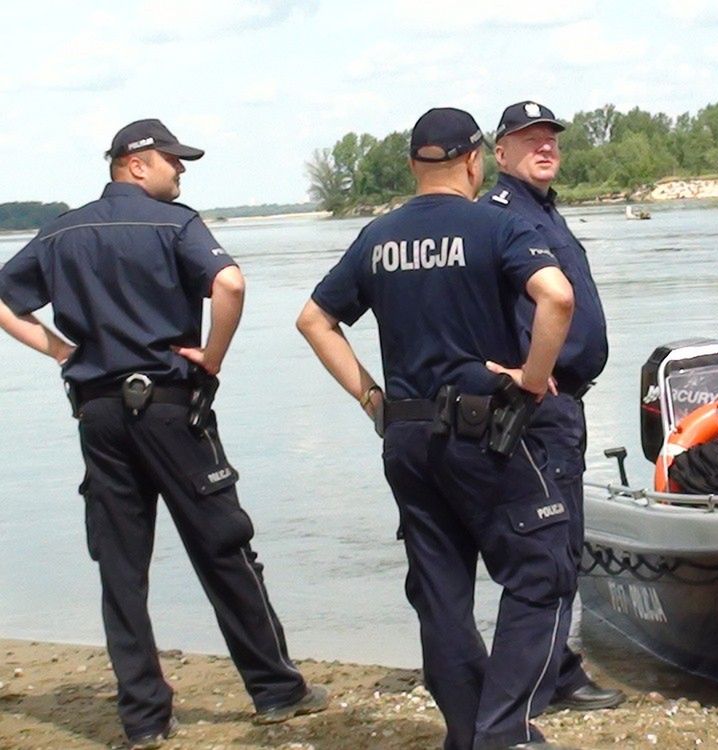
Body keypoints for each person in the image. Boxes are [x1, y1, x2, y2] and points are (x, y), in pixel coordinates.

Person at [0, 119, 328, 749]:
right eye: (173, 161)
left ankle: (144, 720)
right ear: (136, 163)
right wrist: (214, 354)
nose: (181, 172)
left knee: (121, 569)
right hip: (170, 409)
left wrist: (63, 352)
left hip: (97, 412)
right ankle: (277, 691)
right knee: (225, 548)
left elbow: (6, 298)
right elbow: (229, 282)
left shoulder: (62, 230)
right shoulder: (176, 224)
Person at [296, 107, 576, 750]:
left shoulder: (379, 236)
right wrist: (534, 379)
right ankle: (501, 732)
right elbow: (556, 297)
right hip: (484, 433)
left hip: (407, 437)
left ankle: (468, 731)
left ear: (414, 165)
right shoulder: (495, 225)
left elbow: (314, 319)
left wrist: (371, 396)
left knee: (440, 590)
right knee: (543, 570)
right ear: (475, 160)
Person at [479, 101, 621, 712]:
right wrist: (529, 375)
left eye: (551, 140)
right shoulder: (500, 217)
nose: (545, 148)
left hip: (565, 401)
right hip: (541, 403)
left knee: (563, 540)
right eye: (529, 140)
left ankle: (551, 668)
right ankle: (548, 679)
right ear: (499, 153)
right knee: (552, 543)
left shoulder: (544, 212)